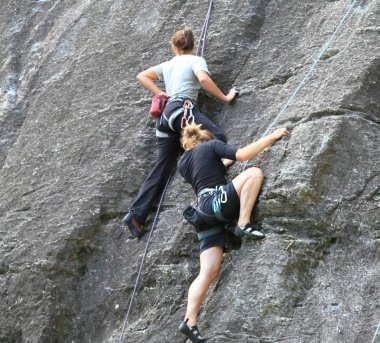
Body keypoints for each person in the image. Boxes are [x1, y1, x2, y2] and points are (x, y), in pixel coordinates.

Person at [177, 123, 289, 342]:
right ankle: (243, 222)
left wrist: (222, 160)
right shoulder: (211, 146)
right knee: (254, 172)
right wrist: (271, 137)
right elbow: (242, 155)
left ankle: (189, 321)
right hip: (216, 203)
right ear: (207, 139)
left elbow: (217, 165)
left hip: (202, 214)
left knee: (208, 271)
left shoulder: (184, 163)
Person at [123, 28, 238, 238]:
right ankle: (214, 172)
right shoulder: (196, 60)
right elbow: (203, 79)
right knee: (216, 138)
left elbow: (142, 76)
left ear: (174, 47)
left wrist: (161, 93)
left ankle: (136, 215)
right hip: (182, 110)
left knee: (163, 167)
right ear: (192, 45)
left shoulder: (167, 65)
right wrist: (224, 97)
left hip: (166, 118)